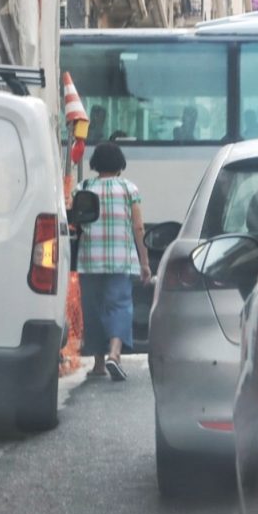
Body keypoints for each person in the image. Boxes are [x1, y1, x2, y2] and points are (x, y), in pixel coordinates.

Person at [75, 142, 151, 381]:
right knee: (119, 305)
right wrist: (145, 261)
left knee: (94, 309)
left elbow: (75, 223)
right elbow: (138, 227)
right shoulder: (129, 189)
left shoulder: (83, 188)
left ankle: (98, 363)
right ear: (120, 164)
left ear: (95, 164)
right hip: (120, 260)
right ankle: (115, 355)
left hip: (89, 260)